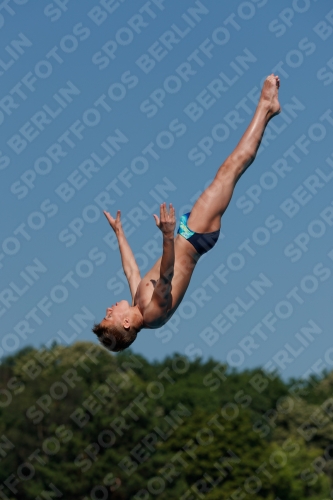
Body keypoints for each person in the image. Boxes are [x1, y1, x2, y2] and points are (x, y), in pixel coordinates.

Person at [92, 74, 281, 351]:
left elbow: (131, 268)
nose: (108, 310)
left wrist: (119, 233)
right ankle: (266, 106)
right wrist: (168, 236)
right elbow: (166, 275)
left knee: (228, 171)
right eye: (109, 317)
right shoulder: (153, 314)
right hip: (194, 237)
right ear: (126, 324)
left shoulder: (137, 301)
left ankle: (267, 109)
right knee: (231, 169)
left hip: (185, 234)